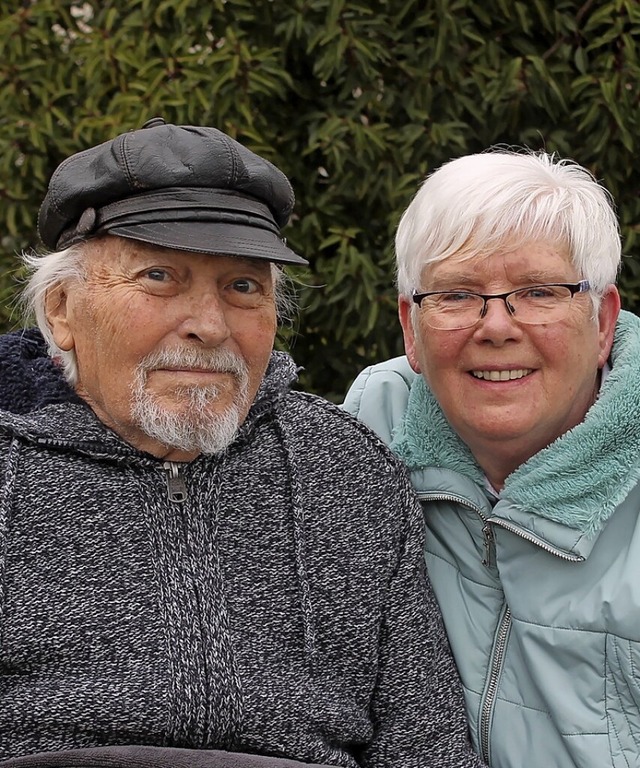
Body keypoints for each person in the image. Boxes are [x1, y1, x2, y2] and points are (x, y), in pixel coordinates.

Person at [0, 119, 484, 768]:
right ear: (62, 308)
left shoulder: (351, 476)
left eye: (243, 287)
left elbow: (427, 749)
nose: (208, 325)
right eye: (159, 276)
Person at [344, 148, 640, 768]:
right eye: (456, 294)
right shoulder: (373, 428)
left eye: (537, 291)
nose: (497, 327)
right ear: (411, 328)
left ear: (603, 320)